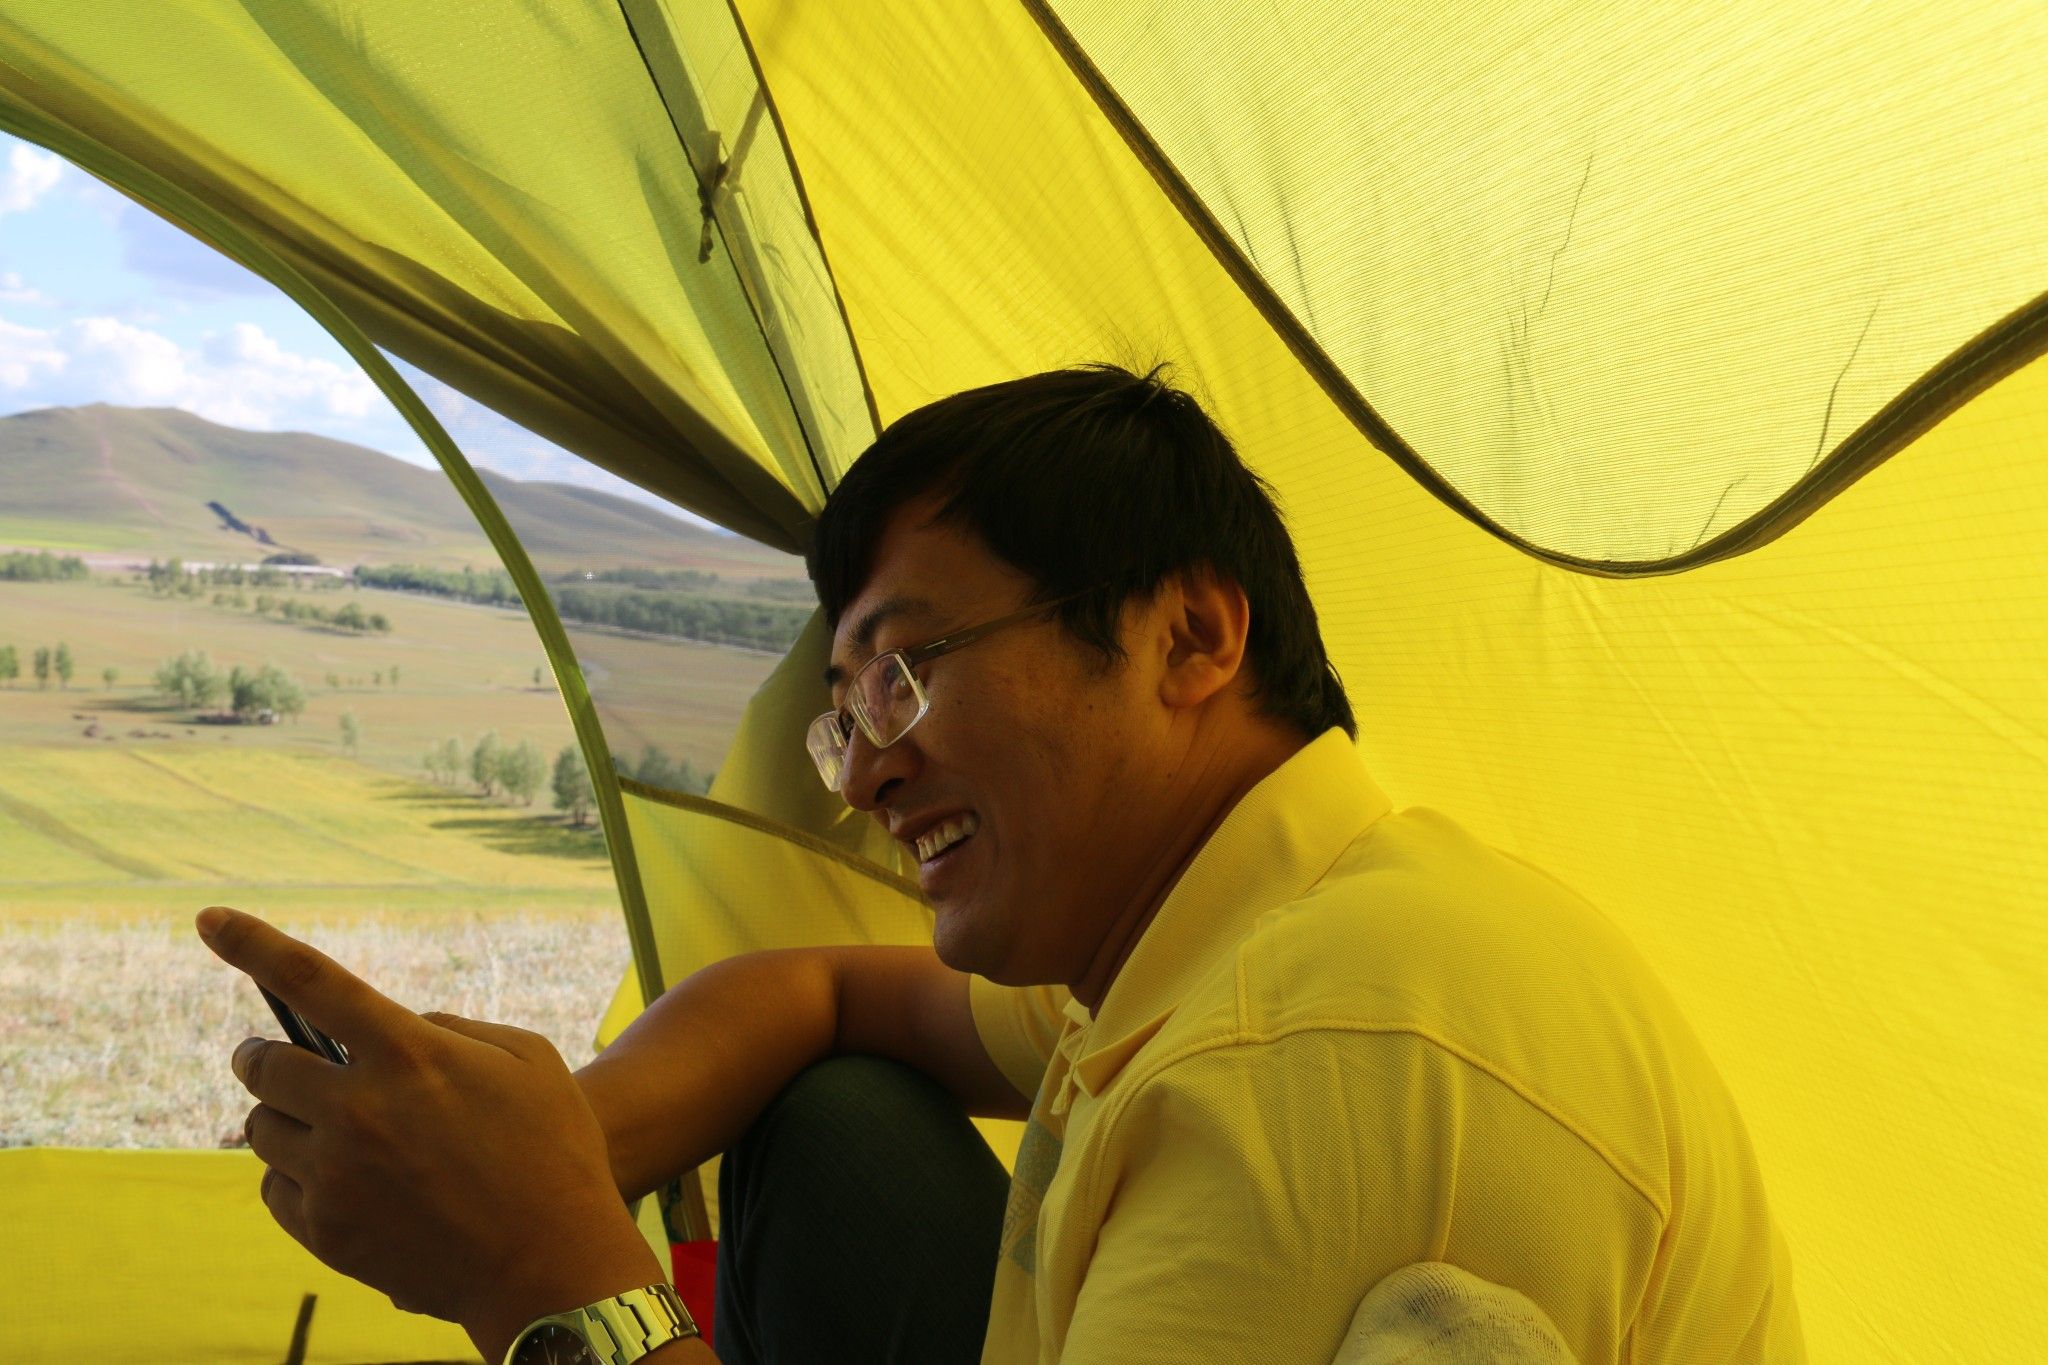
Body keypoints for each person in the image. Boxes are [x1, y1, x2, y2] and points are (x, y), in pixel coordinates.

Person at [204, 364, 1804, 1364]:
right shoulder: (1224, 932)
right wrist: (565, 1137)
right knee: (828, 1112)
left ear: (1188, 634)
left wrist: (548, 1274)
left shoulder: (1308, 1051)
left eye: (907, 669)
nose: (870, 769)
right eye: (844, 718)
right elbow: (818, 989)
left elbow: (563, 1269)